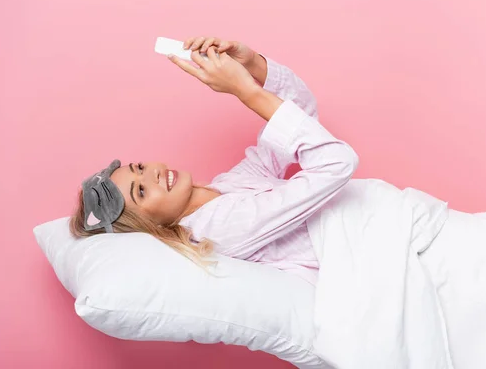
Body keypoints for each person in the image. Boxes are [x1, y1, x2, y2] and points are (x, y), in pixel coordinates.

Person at [70, 36, 359, 285]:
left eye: (141, 168)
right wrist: (245, 92)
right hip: (377, 248)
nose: (153, 174)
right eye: (141, 191)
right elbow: (336, 163)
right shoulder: (222, 230)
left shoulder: (227, 184)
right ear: (151, 227)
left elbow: (300, 113)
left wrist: (252, 64)